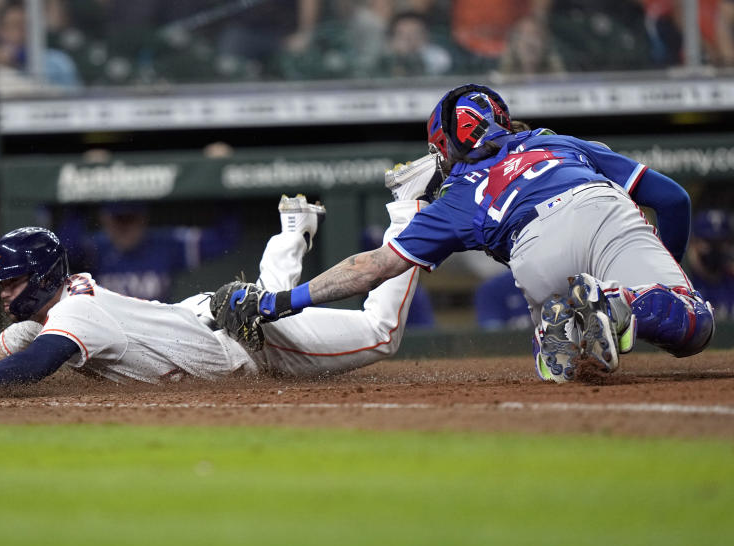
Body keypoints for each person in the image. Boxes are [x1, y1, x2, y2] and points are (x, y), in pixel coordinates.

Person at [213, 83, 714, 382]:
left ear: (445, 145)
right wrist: (662, 270)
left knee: (572, 361)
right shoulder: (556, 140)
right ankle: (619, 301)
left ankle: (566, 327)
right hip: (600, 209)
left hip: (534, 253)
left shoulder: (455, 195)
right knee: (693, 326)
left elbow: (372, 268)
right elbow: (673, 199)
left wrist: (276, 303)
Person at [0, 194, 420, 401]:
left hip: (251, 346)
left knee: (381, 333)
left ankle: (410, 211)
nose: (4, 292)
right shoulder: (53, 309)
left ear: (38, 278)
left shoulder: (75, 312)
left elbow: (30, 367)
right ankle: (292, 228)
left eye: (11, 281)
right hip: (215, 319)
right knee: (269, 300)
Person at [50, 202, 241, 303]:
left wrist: (218, 177)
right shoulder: (94, 248)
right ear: (105, 219)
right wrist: (77, 206)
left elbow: (223, 240)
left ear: (143, 218)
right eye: (118, 219)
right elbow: (64, 252)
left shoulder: (165, 244)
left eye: (130, 219)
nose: (124, 227)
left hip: (156, 331)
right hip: (108, 332)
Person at [0, 0, 80, 88]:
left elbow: (73, 97)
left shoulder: (58, 63)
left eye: (24, 26)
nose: (19, 33)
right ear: (1, 31)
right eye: (13, 26)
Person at [685, 208, 734, 319]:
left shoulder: (731, 281)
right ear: (693, 243)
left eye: (720, 243)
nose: (715, 249)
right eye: (708, 242)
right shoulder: (682, 285)